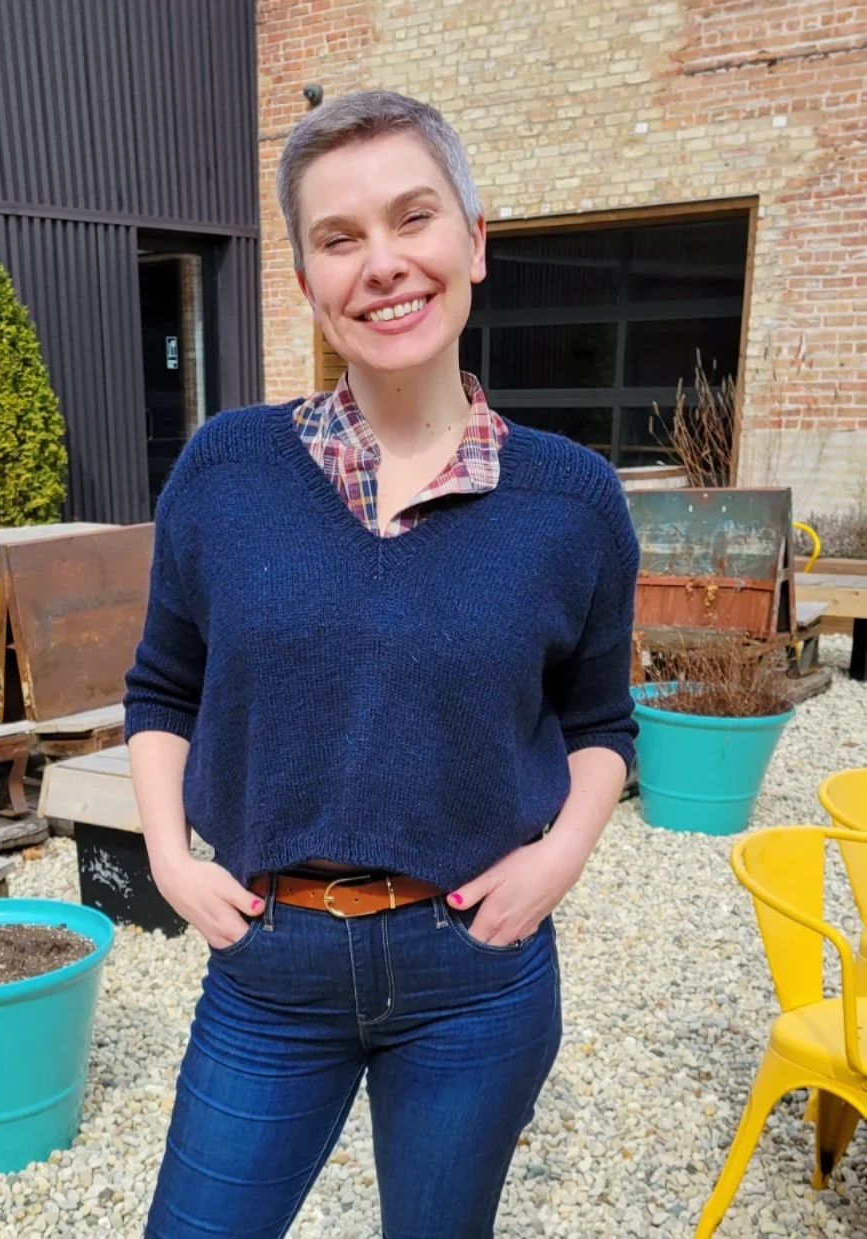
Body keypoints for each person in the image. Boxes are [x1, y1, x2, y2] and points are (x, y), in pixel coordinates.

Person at [125, 89, 639, 1239]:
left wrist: (557, 859)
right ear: (306, 281)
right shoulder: (225, 473)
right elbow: (163, 687)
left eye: (414, 218)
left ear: (474, 242)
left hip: (474, 976)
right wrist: (166, 855)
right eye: (338, 238)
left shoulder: (572, 502)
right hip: (268, 970)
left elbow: (602, 724)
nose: (383, 264)